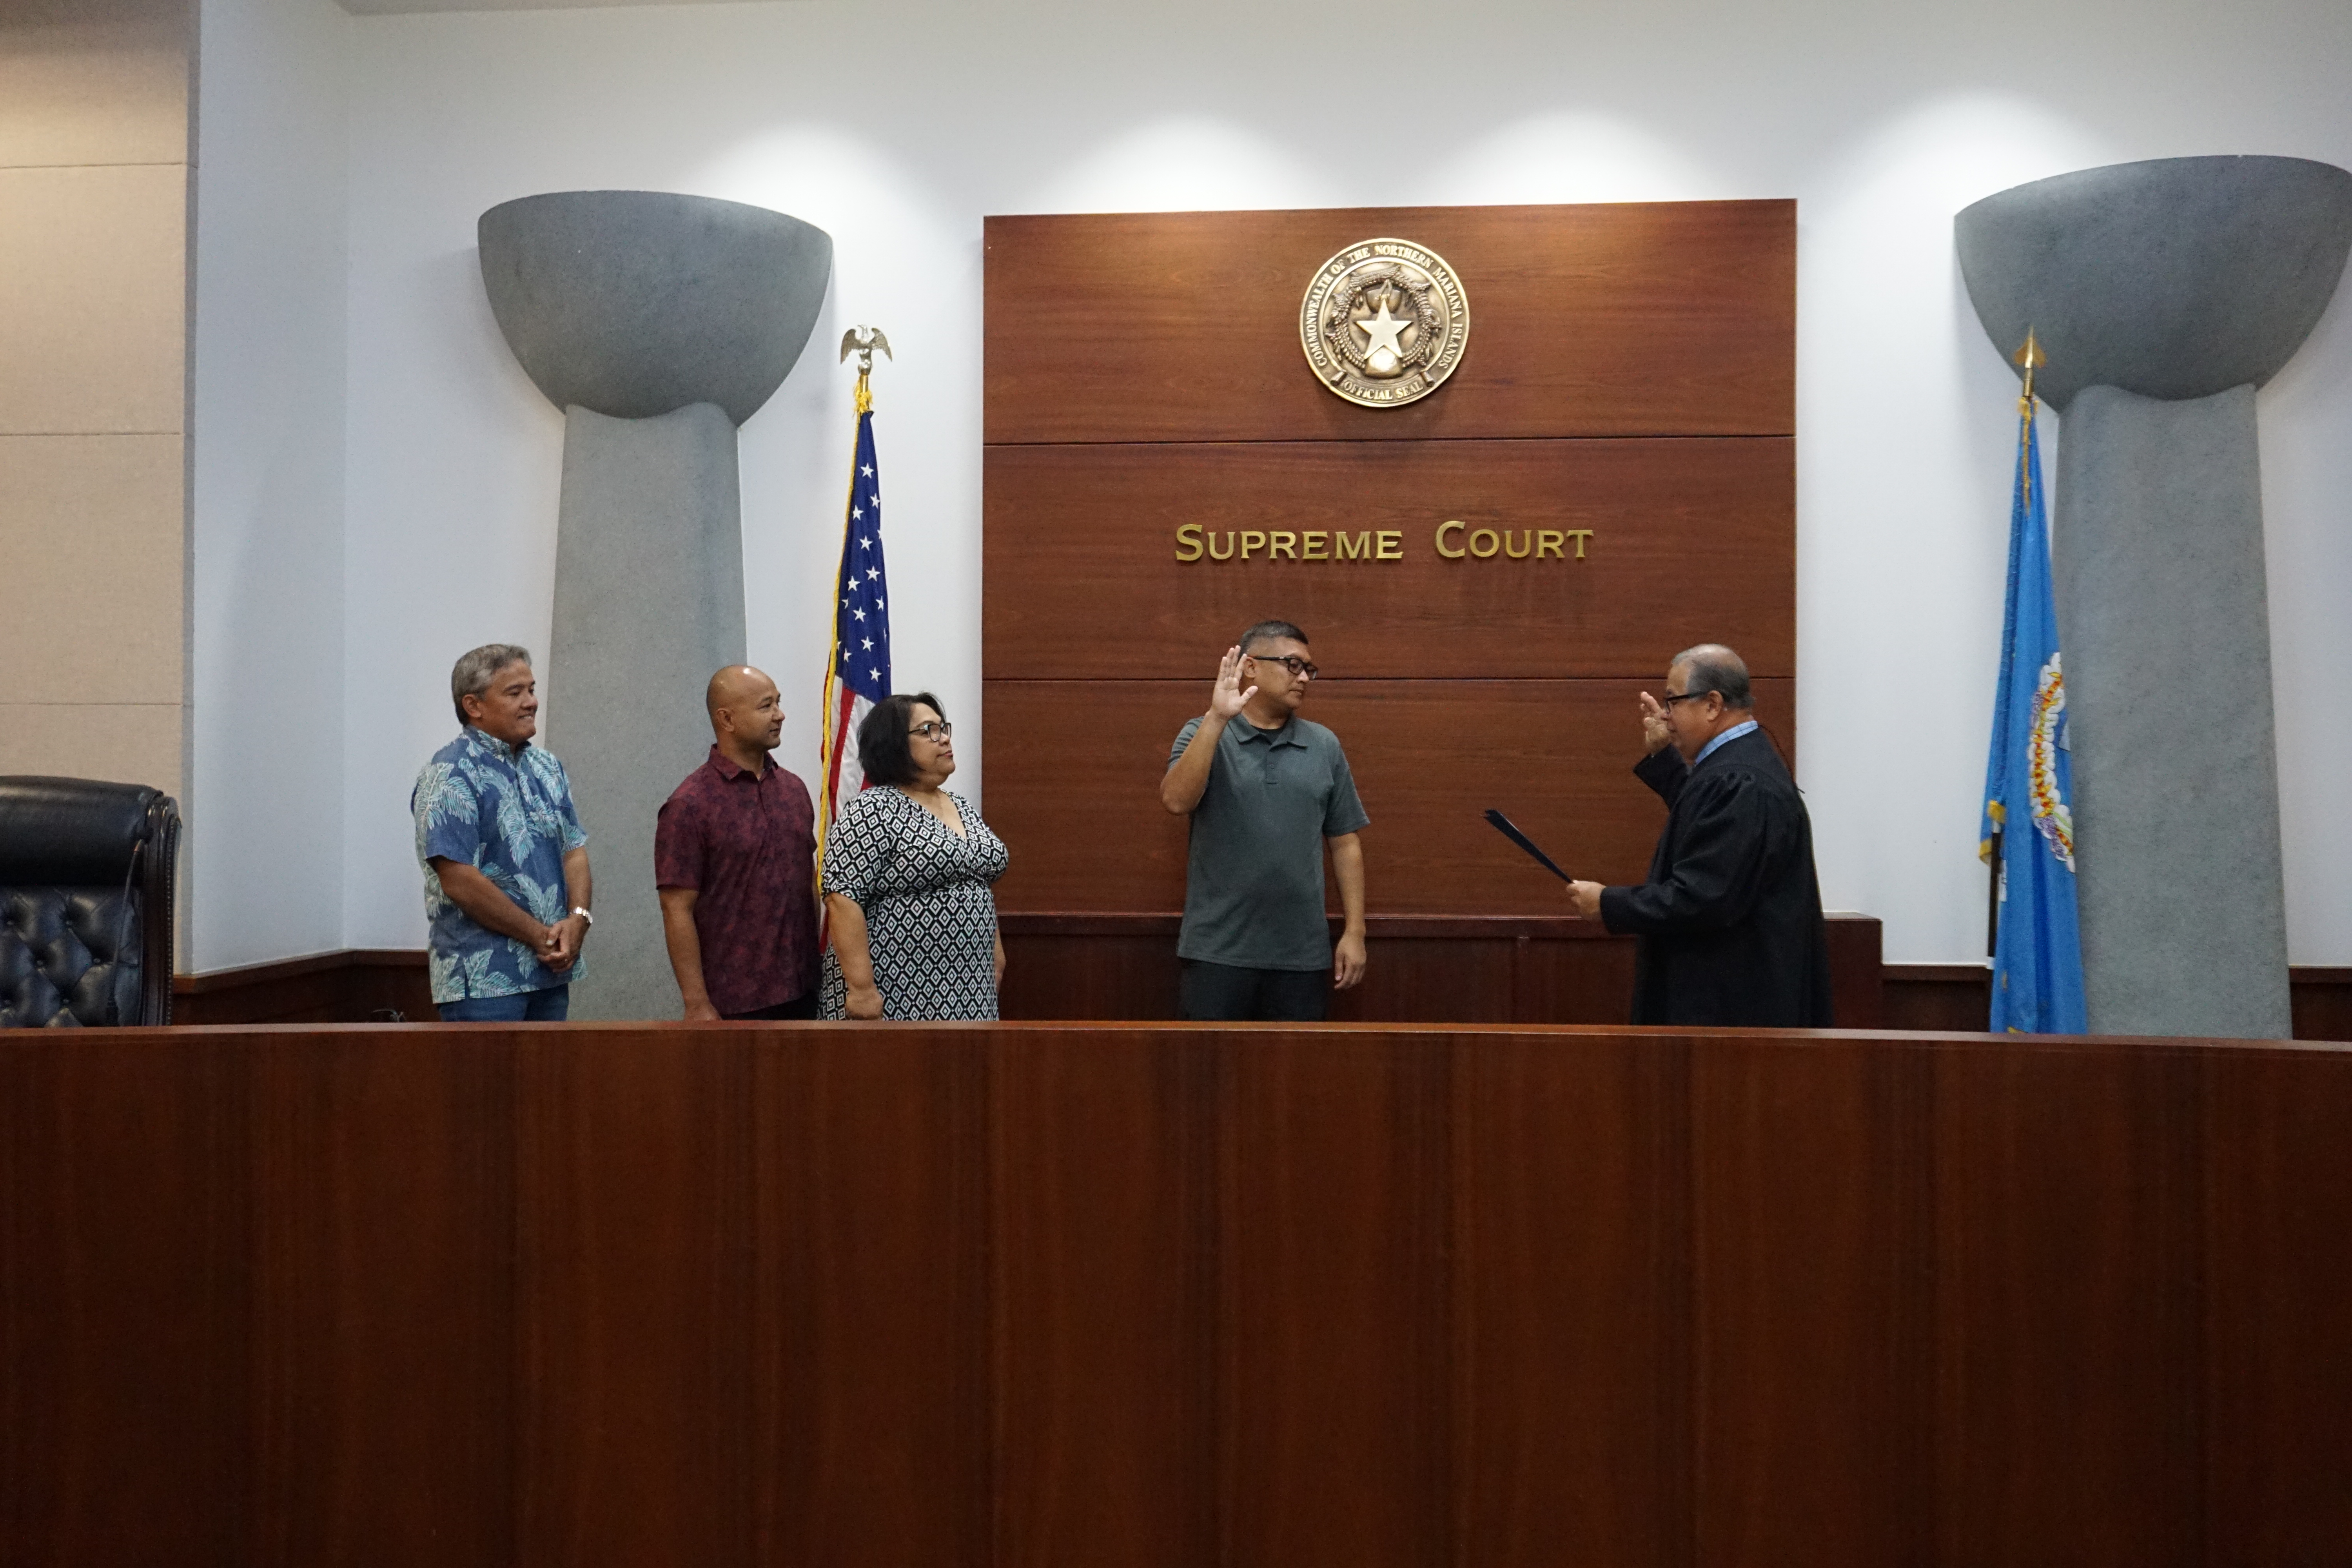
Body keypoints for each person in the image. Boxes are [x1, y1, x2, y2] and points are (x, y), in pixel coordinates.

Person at [1564, 643, 1832, 1026]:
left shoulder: (1743, 783)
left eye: (1672, 702)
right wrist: (1664, 757)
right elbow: (1709, 827)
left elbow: (1705, 896)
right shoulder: (1738, 768)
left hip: (1732, 1015)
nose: (1666, 716)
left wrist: (1608, 903)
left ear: (1712, 704)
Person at [1160, 620, 1369, 1021]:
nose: (1305, 677)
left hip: (1301, 956)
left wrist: (1355, 932)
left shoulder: (1323, 744)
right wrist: (1217, 719)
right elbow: (1175, 800)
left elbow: (1346, 842)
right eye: (1294, 665)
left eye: (1310, 669)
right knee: (1209, 1077)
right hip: (1217, 952)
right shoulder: (1202, 731)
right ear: (1251, 667)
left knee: (1294, 1079)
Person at [411, 644, 593, 1021]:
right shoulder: (450, 775)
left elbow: (573, 851)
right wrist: (541, 937)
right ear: (473, 706)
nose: (531, 702)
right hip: (483, 981)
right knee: (488, 1084)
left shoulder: (547, 766)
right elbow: (459, 880)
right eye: (515, 693)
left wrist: (578, 921)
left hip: (549, 974)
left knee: (549, 1083)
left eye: (531, 689)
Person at [818, 692, 1009, 1020]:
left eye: (943, 728)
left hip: (970, 988)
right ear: (894, 745)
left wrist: (996, 954)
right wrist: (863, 989)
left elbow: (978, 884)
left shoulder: (960, 805)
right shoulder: (871, 808)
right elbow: (842, 898)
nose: (944, 738)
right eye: (928, 731)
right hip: (894, 990)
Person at [654, 665, 820, 1021]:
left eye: (778, 703)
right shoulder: (689, 805)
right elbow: (676, 909)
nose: (780, 715)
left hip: (807, 989)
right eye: (766, 707)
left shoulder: (794, 790)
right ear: (727, 719)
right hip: (736, 1001)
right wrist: (696, 1002)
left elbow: (809, 883)